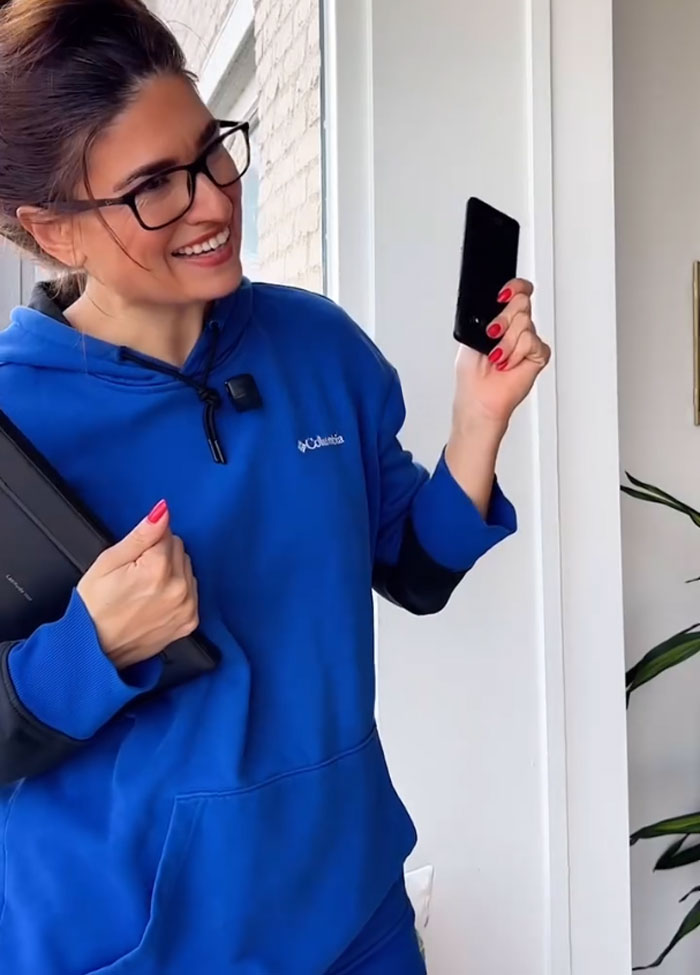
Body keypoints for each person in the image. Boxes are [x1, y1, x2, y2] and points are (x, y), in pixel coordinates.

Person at [0, 1, 550, 973]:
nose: (213, 202)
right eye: (153, 187)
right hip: (129, 946)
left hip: (353, 913)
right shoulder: (15, 417)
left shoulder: (315, 343)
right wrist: (92, 648)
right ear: (53, 231)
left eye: (212, 152)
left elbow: (413, 568)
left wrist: (478, 422)